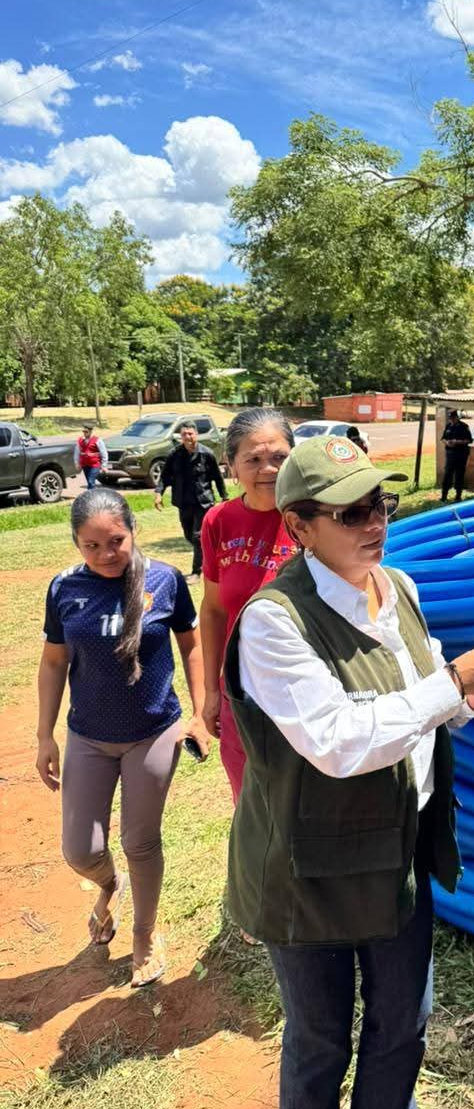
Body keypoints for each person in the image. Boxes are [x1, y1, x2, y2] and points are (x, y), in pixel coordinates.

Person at [222, 435, 474, 1109]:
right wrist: (451, 685)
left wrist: (471, 699)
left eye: (380, 503)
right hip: (308, 869)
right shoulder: (276, 623)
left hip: (396, 850)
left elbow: (417, 703)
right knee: (321, 1040)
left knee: (403, 1023)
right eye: (350, 511)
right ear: (299, 527)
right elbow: (337, 741)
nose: (374, 522)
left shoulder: (397, 586)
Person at [35, 489, 207, 988]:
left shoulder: (166, 580)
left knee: (139, 839)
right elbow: (53, 662)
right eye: (91, 546)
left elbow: (192, 648)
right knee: (80, 850)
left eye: (115, 541)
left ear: (132, 531)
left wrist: (200, 712)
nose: (106, 554)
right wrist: (44, 736)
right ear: (77, 544)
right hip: (88, 734)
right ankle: (110, 886)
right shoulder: (64, 588)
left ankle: (144, 937)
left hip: (152, 732)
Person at [199, 408, 297, 803]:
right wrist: (210, 691)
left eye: (278, 457)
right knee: (251, 805)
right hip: (240, 693)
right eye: (253, 459)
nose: (268, 469)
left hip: (303, 691)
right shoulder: (218, 521)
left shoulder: (317, 515)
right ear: (232, 465)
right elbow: (214, 610)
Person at [154, 421, 227, 584]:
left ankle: (197, 572)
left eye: (190, 434)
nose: (188, 437)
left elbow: (217, 477)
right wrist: (159, 493)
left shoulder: (207, 454)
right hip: (183, 502)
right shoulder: (175, 454)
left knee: (197, 537)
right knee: (189, 535)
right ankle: (211, 555)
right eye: (184, 434)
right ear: (181, 437)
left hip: (203, 502)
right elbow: (165, 476)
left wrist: (225, 497)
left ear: (196, 435)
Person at [440, 409, 472, 503]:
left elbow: (469, 440)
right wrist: (447, 442)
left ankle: (458, 496)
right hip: (450, 454)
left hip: (461, 454)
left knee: (459, 475)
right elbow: (443, 439)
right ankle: (444, 496)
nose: (452, 420)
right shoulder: (448, 426)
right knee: (447, 475)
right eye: (450, 418)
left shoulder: (464, 426)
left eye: (453, 418)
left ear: (457, 417)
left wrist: (457, 442)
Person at [74, 423, 108, 489]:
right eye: (83, 431)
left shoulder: (97, 440)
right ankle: (94, 494)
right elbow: (76, 452)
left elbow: (103, 452)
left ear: (90, 431)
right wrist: (77, 463)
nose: (84, 433)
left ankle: (89, 496)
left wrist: (104, 465)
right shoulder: (80, 440)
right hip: (85, 464)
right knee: (89, 482)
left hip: (95, 465)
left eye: (86, 432)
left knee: (90, 481)